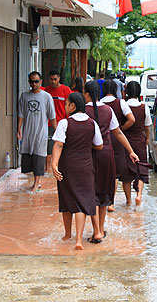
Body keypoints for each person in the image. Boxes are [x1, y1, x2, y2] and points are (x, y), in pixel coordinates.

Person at [84, 80, 139, 242]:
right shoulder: (108, 110)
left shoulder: (82, 111)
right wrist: (131, 151)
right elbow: (119, 133)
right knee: (103, 192)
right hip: (107, 154)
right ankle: (101, 229)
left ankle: (96, 231)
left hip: (88, 155)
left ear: (86, 93)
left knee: (91, 192)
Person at [52, 93, 103, 250]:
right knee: (81, 203)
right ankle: (79, 240)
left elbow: (59, 145)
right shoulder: (92, 123)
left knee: (67, 201)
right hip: (86, 168)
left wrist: (54, 165)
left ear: (73, 106)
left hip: (67, 167)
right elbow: (99, 145)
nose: (65, 106)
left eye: (67, 104)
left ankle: (67, 235)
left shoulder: (64, 123)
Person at [17, 71, 56, 192]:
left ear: (41, 82)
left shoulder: (46, 96)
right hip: (28, 132)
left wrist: (56, 130)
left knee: (39, 156)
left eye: (36, 81)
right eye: (32, 81)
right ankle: (35, 182)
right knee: (30, 156)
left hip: (41, 132)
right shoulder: (24, 96)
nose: (34, 84)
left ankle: (36, 183)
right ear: (29, 82)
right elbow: (21, 114)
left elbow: (52, 116)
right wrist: (19, 128)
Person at [101, 79, 135, 212]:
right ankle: (117, 202)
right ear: (116, 90)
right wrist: (121, 128)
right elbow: (132, 119)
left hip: (103, 139)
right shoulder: (121, 103)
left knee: (107, 172)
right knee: (116, 172)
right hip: (117, 139)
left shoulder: (100, 104)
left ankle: (108, 201)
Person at [122, 81, 152, 208]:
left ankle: (128, 201)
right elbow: (147, 127)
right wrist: (147, 139)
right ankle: (138, 195)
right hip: (139, 141)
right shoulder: (144, 107)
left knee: (127, 174)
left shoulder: (123, 106)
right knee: (141, 169)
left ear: (127, 92)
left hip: (126, 142)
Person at [45, 70, 72, 173]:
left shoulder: (66, 90)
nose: (53, 81)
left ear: (59, 78)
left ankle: (59, 166)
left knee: (61, 145)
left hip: (62, 122)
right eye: (51, 79)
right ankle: (47, 169)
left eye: (55, 79)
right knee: (49, 147)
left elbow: (70, 105)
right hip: (48, 123)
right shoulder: (46, 91)